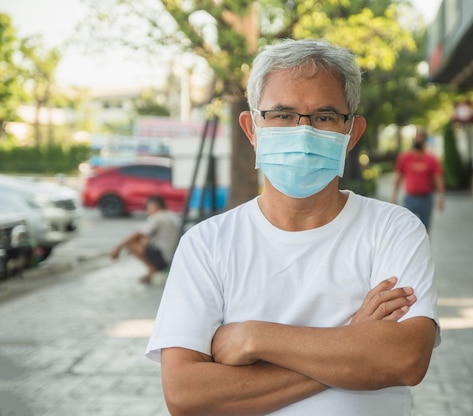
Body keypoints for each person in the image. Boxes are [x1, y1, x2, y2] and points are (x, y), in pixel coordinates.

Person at [146, 39, 440, 415]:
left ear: (352, 132)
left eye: (324, 116)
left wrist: (253, 337)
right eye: (282, 115)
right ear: (252, 128)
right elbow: (187, 395)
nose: (303, 133)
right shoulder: (206, 244)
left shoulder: (393, 230)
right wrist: (352, 344)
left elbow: (404, 359)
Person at [110, 195, 179, 284]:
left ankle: (152, 270)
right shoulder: (171, 215)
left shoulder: (157, 217)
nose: (147, 210)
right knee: (144, 240)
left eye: (148, 207)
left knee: (132, 244)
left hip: (164, 258)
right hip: (174, 255)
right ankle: (152, 270)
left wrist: (118, 247)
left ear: (154, 206)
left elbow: (137, 234)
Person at [391, 129, 445, 232]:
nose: (418, 141)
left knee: (425, 229)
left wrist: (441, 197)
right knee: (408, 228)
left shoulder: (431, 159)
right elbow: (398, 177)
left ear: (425, 141)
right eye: (416, 139)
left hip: (426, 199)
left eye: (420, 139)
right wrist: (394, 195)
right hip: (410, 199)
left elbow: (438, 179)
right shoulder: (405, 157)